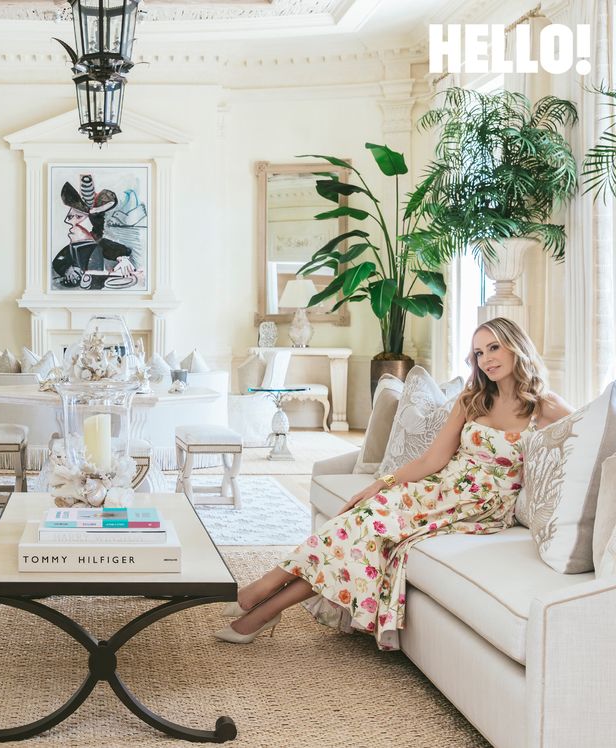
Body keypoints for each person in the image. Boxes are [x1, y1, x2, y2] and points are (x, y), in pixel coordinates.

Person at [215, 317, 573, 649]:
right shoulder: (472, 400)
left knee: (364, 527)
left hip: (479, 508)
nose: (486, 359)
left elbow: (593, 435)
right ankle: (263, 605)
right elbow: (434, 459)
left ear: (515, 346)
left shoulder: (543, 406)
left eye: (494, 347)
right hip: (438, 489)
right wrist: (381, 484)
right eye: (479, 353)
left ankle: (258, 601)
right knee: (355, 527)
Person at [52, 174, 135, 289]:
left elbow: (112, 248)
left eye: (78, 217)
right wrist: (68, 269)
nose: (70, 224)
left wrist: (123, 258)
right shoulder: (71, 248)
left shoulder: (96, 243)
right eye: (71, 217)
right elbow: (58, 261)